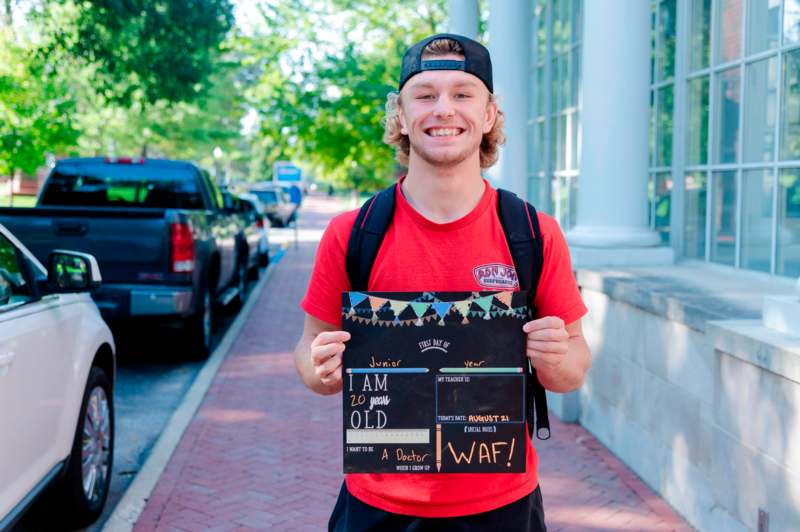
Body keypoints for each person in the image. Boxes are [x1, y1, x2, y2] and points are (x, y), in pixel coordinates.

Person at [295, 33, 591, 531]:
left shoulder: (533, 233)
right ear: (402, 115)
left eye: (462, 93)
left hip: (500, 508)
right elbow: (308, 351)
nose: (443, 109)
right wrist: (318, 367)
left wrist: (556, 357)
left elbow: (574, 369)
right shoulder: (353, 233)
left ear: (489, 114)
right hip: (377, 506)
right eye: (426, 95)